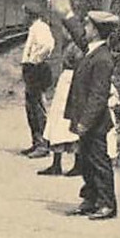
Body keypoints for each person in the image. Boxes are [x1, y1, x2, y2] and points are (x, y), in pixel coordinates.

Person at [49, 0, 120, 220]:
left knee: (99, 161)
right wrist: (67, 14)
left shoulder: (102, 59)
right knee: (87, 162)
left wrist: (84, 123)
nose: (85, 27)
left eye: (88, 24)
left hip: (95, 122)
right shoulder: (94, 50)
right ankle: (90, 199)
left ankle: (107, 204)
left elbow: (99, 97)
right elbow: (80, 37)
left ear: (97, 31)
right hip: (87, 120)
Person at [38, 42, 82, 176]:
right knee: (58, 123)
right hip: (67, 81)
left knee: (65, 123)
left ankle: (75, 164)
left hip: (72, 80)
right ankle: (57, 164)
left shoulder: (78, 46)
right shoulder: (73, 44)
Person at [20, 2, 55, 158]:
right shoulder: (35, 28)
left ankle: (43, 145)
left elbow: (48, 46)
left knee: (37, 108)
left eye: (25, 14)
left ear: (29, 15)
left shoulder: (40, 28)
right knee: (31, 107)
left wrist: (34, 60)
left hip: (37, 70)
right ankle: (36, 142)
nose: (23, 17)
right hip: (32, 70)